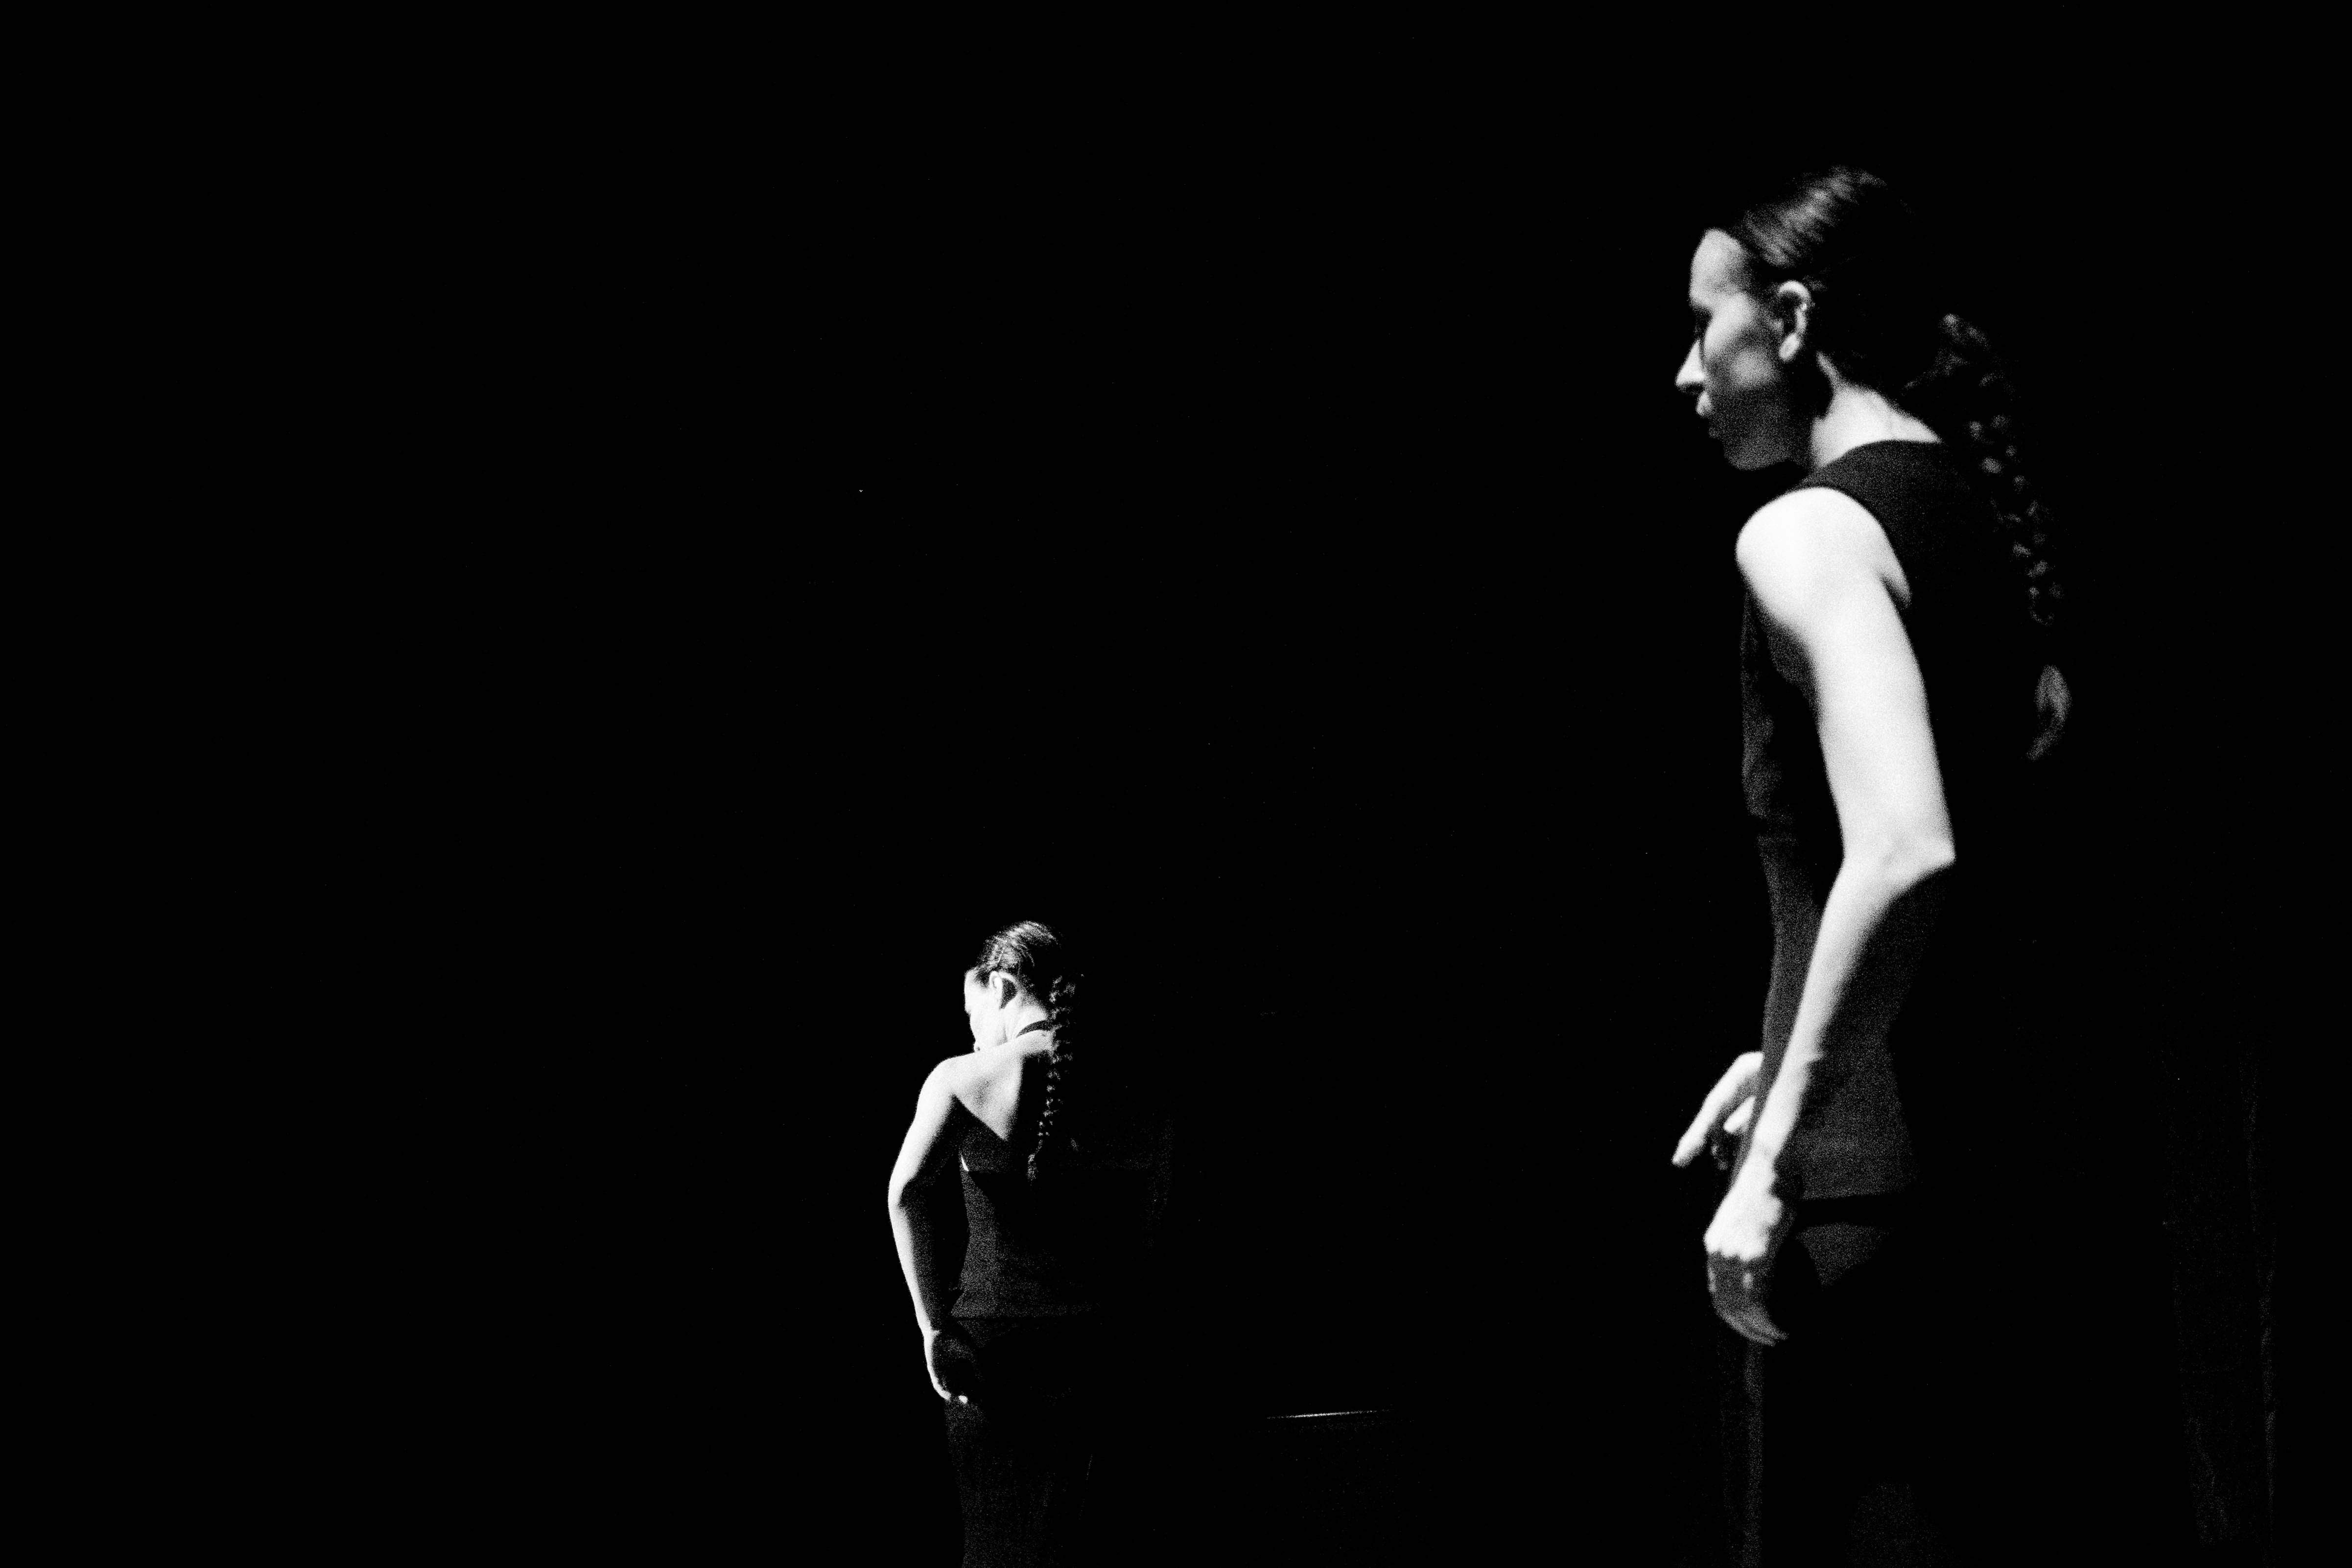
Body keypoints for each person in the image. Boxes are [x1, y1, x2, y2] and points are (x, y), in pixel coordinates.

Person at [1664, 168, 2071, 1564]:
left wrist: (1778, 1152)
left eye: (1697, 326)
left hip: (1871, 1199)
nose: (1682, 372)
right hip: (2005, 1157)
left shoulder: (1808, 532)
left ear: (1784, 318)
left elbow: (1901, 847)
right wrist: (1781, 1046)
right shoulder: (1966, 515)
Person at [886, 921, 1175, 1567]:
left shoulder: (961, 1078)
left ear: (1005, 984)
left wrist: (932, 1327)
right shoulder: (1138, 1086)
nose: (972, 1032)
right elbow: (1150, 1223)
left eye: (973, 1011)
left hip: (992, 1353)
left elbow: (904, 1193)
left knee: (994, 1547)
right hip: (1097, 1348)